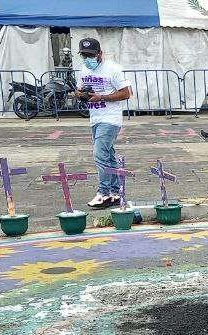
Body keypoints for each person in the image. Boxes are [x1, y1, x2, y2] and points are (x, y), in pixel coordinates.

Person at [75, 37, 133, 210]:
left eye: (91, 55)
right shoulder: (84, 69)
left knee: (100, 153)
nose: (88, 59)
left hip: (111, 118)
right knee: (108, 154)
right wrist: (80, 94)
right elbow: (79, 89)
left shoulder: (113, 69)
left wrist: (102, 97)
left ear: (100, 53)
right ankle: (116, 192)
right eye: (84, 55)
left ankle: (104, 193)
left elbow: (126, 93)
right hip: (95, 117)